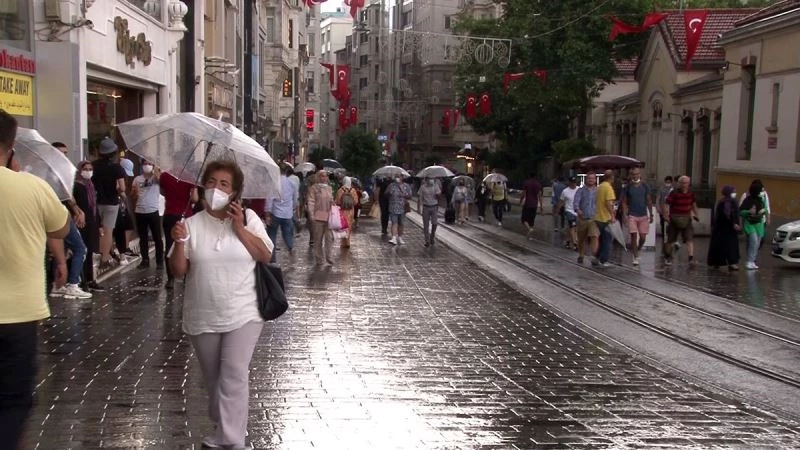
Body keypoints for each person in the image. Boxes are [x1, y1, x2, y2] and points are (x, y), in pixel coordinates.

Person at [168, 160, 272, 450]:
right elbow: (178, 271)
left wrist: (239, 228)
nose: (216, 188)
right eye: (212, 182)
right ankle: (223, 428)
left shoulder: (249, 218)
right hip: (203, 313)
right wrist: (178, 242)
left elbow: (264, 255)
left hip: (245, 310)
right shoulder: (190, 224)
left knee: (234, 373)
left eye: (224, 184)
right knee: (214, 379)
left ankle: (232, 440)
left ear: (235, 191)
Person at [0, 110, 71, 448]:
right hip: (19, 315)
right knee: (14, 399)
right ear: (11, 146)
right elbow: (62, 227)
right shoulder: (32, 186)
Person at [49, 142, 92, 299]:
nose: (64, 156)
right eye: (61, 152)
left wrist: (77, 210)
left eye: (66, 153)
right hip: (59, 216)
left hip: (61, 215)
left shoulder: (59, 172)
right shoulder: (53, 174)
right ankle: (73, 284)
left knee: (61, 250)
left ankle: (57, 285)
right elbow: (65, 195)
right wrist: (76, 211)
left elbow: (69, 195)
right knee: (80, 248)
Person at [92, 138, 127, 271]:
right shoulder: (116, 168)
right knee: (108, 230)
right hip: (111, 202)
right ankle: (104, 258)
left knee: (97, 230)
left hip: (95, 202)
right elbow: (122, 188)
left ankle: (95, 254)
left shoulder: (93, 166)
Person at [160, 170, 198, 289]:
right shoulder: (190, 176)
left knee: (170, 245)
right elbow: (195, 198)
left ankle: (170, 278)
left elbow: (163, 192)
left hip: (170, 214)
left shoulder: (165, 176)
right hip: (186, 215)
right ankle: (186, 276)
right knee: (187, 246)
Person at [73, 160, 106, 292]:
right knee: (82, 252)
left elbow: (94, 207)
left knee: (91, 251)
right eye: (85, 169)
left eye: (90, 169)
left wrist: (99, 225)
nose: (88, 171)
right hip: (81, 223)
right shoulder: (76, 186)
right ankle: (82, 280)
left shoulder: (90, 185)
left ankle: (90, 279)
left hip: (92, 222)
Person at [132, 159, 164, 269]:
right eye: (145, 163)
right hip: (140, 211)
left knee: (157, 237)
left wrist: (156, 171)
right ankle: (145, 260)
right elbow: (133, 194)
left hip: (153, 210)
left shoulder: (155, 178)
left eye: (149, 163)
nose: (147, 166)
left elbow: (161, 182)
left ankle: (160, 260)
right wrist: (135, 193)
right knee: (143, 237)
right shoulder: (137, 179)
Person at [663, 176, 699, 266]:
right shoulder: (674, 192)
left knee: (689, 238)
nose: (684, 185)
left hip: (686, 218)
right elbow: (667, 204)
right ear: (679, 183)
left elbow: (693, 204)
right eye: (682, 183)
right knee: (671, 239)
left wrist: (696, 214)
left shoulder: (691, 193)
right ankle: (668, 257)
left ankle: (690, 258)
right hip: (674, 218)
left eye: (686, 183)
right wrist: (666, 215)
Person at [621, 167, 654, 266]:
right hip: (632, 215)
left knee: (643, 237)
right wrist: (625, 214)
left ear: (640, 174)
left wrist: (651, 213)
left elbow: (648, 200)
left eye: (637, 174)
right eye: (633, 174)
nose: (635, 176)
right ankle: (635, 256)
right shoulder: (628, 187)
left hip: (643, 215)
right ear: (631, 175)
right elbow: (624, 202)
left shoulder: (645, 186)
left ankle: (638, 248)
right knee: (634, 235)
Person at [267, 166, 298, 260]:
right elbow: (295, 198)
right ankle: (290, 246)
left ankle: (272, 258)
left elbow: (270, 199)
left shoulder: (274, 183)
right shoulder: (292, 183)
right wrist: (293, 208)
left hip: (275, 213)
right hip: (287, 214)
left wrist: (267, 212)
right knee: (287, 233)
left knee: (272, 234)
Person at [707, 185, 741, 271]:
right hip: (723, 228)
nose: (734, 193)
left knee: (731, 246)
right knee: (723, 246)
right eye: (733, 191)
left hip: (728, 229)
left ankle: (731, 262)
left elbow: (736, 214)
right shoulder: (722, 202)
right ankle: (718, 262)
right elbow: (724, 215)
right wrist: (733, 223)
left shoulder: (733, 202)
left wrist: (736, 223)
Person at [307, 170, 334, 265]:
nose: (324, 178)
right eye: (322, 176)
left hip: (328, 216)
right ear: (318, 177)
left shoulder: (329, 188)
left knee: (329, 238)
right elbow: (311, 201)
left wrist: (333, 204)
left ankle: (329, 256)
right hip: (317, 217)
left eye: (326, 176)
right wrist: (311, 214)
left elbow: (331, 200)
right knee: (318, 239)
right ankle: (318, 258)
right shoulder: (314, 188)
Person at [739, 180, 767, 270]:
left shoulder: (761, 200)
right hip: (750, 224)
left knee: (757, 243)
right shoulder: (748, 200)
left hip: (759, 224)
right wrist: (748, 212)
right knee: (753, 241)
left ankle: (753, 260)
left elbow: (765, 209)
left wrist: (763, 212)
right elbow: (741, 211)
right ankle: (749, 261)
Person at [574, 171, 599, 264]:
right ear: (586, 179)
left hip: (594, 218)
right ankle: (581, 254)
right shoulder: (581, 190)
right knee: (581, 238)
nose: (591, 180)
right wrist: (578, 210)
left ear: (595, 180)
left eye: (592, 178)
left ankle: (594, 256)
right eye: (589, 178)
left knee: (594, 236)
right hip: (583, 218)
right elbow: (576, 202)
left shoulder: (598, 191)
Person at [592, 170, 616, 268]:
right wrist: (612, 215)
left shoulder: (600, 187)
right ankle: (604, 260)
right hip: (605, 218)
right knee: (607, 240)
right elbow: (608, 203)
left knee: (601, 239)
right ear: (611, 177)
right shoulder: (608, 188)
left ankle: (597, 257)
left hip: (597, 217)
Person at [386, 174, 412, 245]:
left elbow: (410, 196)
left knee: (401, 223)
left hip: (402, 207)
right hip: (393, 207)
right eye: (396, 176)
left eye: (399, 176)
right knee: (394, 222)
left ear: (402, 177)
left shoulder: (406, 186)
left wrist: (404, 195)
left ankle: (400, 237)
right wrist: (389, 193)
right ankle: (394, 237)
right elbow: (386, 194)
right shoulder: (391, 185)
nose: (397, 178)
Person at [335, 176, 359, 248]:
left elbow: (337, 201)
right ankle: (348, 242)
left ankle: (343, 242)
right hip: (351, 211)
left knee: (343, 226)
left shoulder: (340, 190)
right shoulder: (353, 190)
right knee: (349, 226)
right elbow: (356, 201)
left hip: (342, 210)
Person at [417, 177, 442, 247]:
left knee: (435, 223)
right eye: (429, 179)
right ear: (426, 180)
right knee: (426, 225)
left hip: (434, 206)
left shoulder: (436, 186)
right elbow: (420, 197)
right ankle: (427, 240)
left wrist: (437, 194)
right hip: (426, 207)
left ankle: (432, 236)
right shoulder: (422, 187)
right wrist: (418, 207)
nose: (431, 180)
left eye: (432, 178)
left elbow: (439, 196)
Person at [557, 177, 579, 249]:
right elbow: (561, 201)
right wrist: (558, 210)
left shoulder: (579, 190)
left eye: (574, 182)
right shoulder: (565, 191)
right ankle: (575, 242)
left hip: (577, 211)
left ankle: (568, 241)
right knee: (573, 226)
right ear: (569, 183)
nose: (573, 184)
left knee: (570, 227)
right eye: (572, 182)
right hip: (569, 211)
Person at [520, 173, 543, 239]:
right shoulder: (538, 184)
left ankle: (530, 229)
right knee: (531, 220)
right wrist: (541, 206)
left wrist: (520, 201)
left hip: (527, 203)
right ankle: (530, 236)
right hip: (534, 204)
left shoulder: (526, 183)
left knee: (524, 219)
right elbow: (539, 196)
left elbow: (523, 193)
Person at [655, 175, 673, 243]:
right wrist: (658, 207)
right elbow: (658, 198)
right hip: (662, 209)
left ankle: (670, 237)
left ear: (671, 182)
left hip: (671, 210)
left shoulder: (673, 189)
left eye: (669, 182)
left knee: (671, 224)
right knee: (662, 223)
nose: (668, 183)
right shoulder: (661, 189)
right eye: (667, 182)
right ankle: (664, 236)